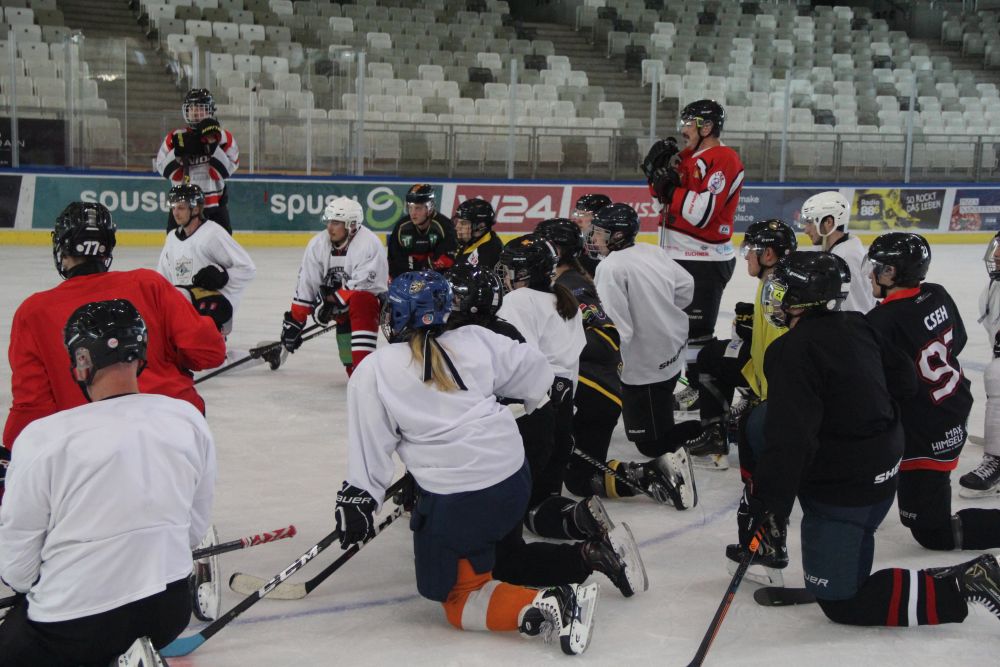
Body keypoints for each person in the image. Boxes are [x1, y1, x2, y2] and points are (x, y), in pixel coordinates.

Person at [735, 251, 1000, 633]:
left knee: (843, 601)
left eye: (784, 290)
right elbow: (904, 382)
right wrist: (855, 412)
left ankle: (963, 583)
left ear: (802, 297)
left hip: (849, 485)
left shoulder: (789, 350)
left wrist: (770, 508)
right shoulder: (858, 322)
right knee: (758, 420)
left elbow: (790, 442)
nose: (777, 298)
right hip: (887, 457)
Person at [337, 270, 598, 655]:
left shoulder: (375, 370)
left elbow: (371, 447)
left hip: (462, 498)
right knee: (492, 553)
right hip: (513, 478)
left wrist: (359, 498)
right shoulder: (475, 338)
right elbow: (537, 375)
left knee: (458, 598)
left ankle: (555, 603)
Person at [0, 299, 216, 666]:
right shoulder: (187, 419)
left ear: (81, 362)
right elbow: (194, 531)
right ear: (140, 353)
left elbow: (17, 567)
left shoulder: (42, 438)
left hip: (70, 626)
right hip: (167, 611)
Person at [445, 264, 647, 599]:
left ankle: (588, 553)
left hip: (516, 440)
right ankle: (580, 519)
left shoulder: (495, 324)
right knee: (538, 505)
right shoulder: (559, 302)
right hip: (555, 413)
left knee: (503, 554)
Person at [3, 202, 227, 451]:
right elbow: (209, 353)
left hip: (92, 450)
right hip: (177, 434)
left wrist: (11, 456)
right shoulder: (149, 284)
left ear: (62, 251)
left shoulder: (33, 312)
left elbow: (32, 409)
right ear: (107, 247)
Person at [865, 232, 1000, 553]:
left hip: (925, 431)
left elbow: (882, 386)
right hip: (952, 408)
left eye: (878, 267)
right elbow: (959, 341)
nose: (871, 274)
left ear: (892, 272)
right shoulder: (936, 293)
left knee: (932, 532)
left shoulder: (880, 321)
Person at [585, 203, 700, 510]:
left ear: (618, 236)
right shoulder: (651, 251)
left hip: (644, 363)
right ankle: (695, 428)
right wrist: (658, 311)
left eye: (600, 233)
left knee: (650, 444)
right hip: (672, 348)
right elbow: (686, 286)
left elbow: (617, 327)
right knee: (659, 411)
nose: (594, 238)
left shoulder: (610, 268)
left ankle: (706, 431)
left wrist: (601, 354)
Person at [640, 99, 746, 413]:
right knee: (680, 330)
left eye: (689, 123)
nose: (683, 130)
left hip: (704, 258)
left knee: (698, 334)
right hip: (680, 256)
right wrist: (653, 178)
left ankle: (703, 391)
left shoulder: (724, 159)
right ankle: (694, 387)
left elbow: (702, 213)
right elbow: (662, 200)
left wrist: (670, 189)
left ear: (707, 127)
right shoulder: (688, 157)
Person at [684, 219, 798, 472]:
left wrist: (765, 400)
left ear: (768, 254)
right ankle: (717, 432)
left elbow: (784, 350)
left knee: (709, 358)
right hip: (765, 368)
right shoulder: (778, 280)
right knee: (713, 354)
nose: (746, 257)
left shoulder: (775, 290)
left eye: (750, 250)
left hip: (772, 382)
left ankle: (718, 435)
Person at [495, 235, 589, 529]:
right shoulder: (564, 298)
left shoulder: (518, 300)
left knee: (515, 506)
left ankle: (584, 529)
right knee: (542, 503)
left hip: (537, 410)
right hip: (565, 407)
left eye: (510, 269)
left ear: (524, 273)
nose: (506, 276)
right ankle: (582, 521)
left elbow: (521, 360)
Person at [280, 196, 388, 376]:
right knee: (349, 364)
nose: (330, 227)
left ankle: (365, 369)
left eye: (336, 223)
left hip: (372, 304)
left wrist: (329, 302)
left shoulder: (369, 244)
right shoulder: (318, 244)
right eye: (329, 221)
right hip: (339, 305)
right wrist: (296, 320)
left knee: (362, 301)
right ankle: (353, 368)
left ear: (351, 225)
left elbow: (364, 287)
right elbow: (307, 282)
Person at [156, 183, 256, 336]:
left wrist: (222, 275)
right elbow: (162, 279)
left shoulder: (212, 234)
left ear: (196, 209)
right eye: (173, 207)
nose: (175, 212)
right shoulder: (171, 239)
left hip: (209, 314)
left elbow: (247, 269)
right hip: (181, 315)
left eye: (181, 207)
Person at [155, 88, 239, 234]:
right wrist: (177, 153)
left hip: (215, 208)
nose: (195, 112)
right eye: (191, 108)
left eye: (200, 108)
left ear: (210, 111)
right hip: (182, 207)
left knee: (221, 247)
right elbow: (163, 169)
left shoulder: (223, 137)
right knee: (176, 245)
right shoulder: (175, 137)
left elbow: (226, 171)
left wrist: (212, 144)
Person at [962, 231, 1000, 497]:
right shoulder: (993, 287)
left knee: (997, 375)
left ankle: (997, 460)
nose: (996, 254)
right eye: (997, 247)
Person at [798, 190, 876, 313]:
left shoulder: (847, 258)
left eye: (810, 222)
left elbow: (854, 311)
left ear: (829, 222)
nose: (806, 230)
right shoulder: (832, 247)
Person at [386, 184, 457, 278]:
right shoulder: (402, 227)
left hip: (435, 278)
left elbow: (448, 259)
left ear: (430, 208)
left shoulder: (444, 226)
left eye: (418, 208)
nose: (413, 213)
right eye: (410, 207)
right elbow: (393, 260)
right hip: (408, 278)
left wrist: (420, 269)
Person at [452, 198, 503, 271]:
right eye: (457, 222)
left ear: (480, 226)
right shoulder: (470, 241)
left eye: (464, 223)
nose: (457, 227)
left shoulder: (489, 253)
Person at [570, 193, 611, 277]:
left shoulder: (616, 254)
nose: (577, 220)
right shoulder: (575, 248)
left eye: (584, 215)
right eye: (577, 214)